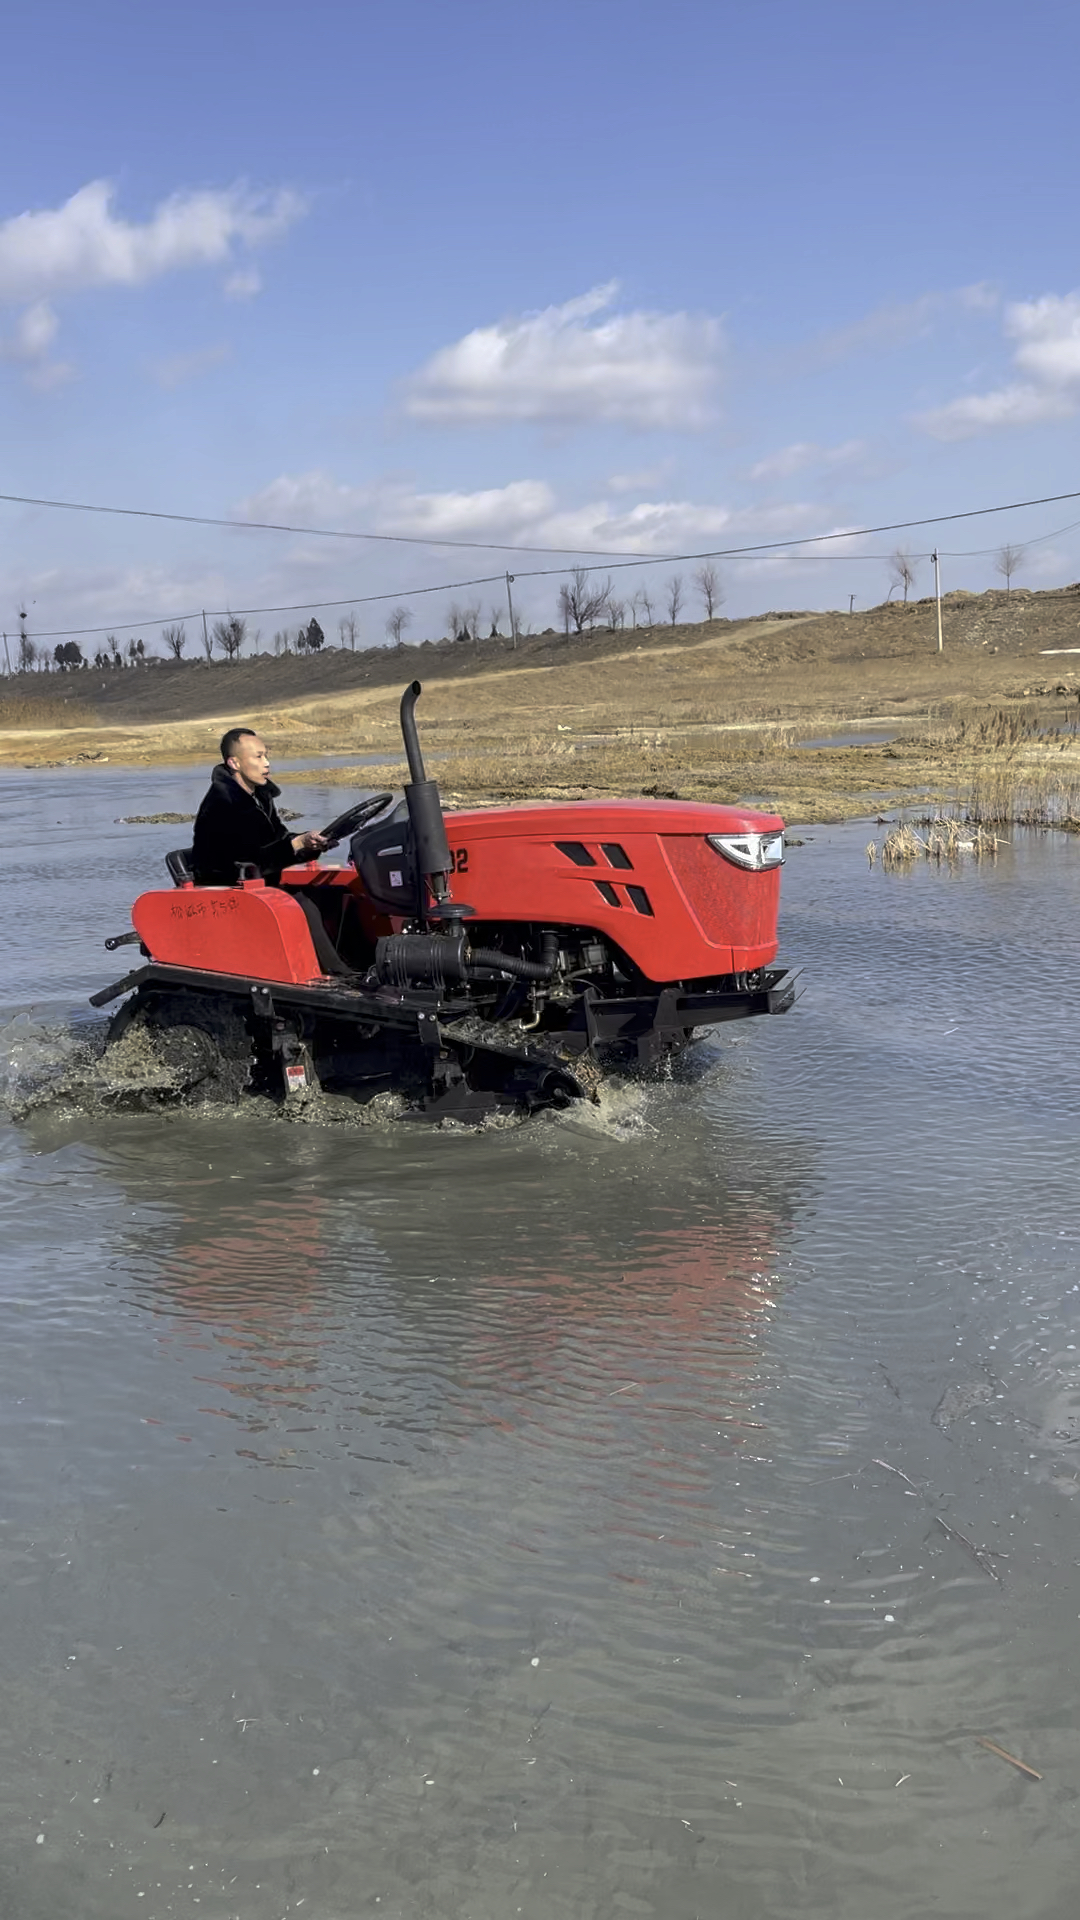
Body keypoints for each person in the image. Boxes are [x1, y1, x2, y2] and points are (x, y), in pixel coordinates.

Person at [191, 728, 328, 886]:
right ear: (234, 763)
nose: (267, 763)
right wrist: (298, 843)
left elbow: (279, 839)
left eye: (266, 756)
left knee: (337, 894)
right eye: (258, 757)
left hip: (263, 886)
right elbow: (247, 861)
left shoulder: (260, 797)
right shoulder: (222, 804)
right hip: (231, 892)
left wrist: (309, 842)